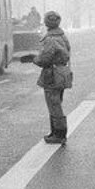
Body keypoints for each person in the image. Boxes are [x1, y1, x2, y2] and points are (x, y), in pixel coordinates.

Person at [34, 10, 72, 144]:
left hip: (52, 74)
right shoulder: (62, 36)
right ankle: (55, 131)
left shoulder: (50, 39)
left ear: (46, 23)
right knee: (56, 102)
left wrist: (35, 59)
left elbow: (45, 58)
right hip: (62, 72)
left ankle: (59, 133)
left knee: (53, 104)